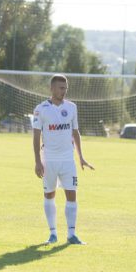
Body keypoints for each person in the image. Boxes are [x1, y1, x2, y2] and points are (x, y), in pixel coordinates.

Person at [32, 74, 94, 245]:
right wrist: (38, 161)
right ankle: (52, 234)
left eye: (65, 88)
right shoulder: (41, 109)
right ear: (52, 88)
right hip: (49, 160)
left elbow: (76, 132)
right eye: (60, 88)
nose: (64, 91)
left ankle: (71, 235)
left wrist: (81, 157)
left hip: (68, 160)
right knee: (49, 194)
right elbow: (36, 137)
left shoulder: (72, 107)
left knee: (72, 195)